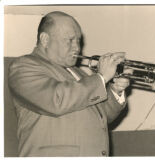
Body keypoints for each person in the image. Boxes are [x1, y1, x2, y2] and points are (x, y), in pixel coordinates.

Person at [8, 11, 131, 157]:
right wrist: (102, 77)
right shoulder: (23, 66)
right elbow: (56, 100)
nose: (77, 48)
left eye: (78, 41)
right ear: (45, 39)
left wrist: (115, 91)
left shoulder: (79, 74)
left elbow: (102, 116)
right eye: (70, 40)